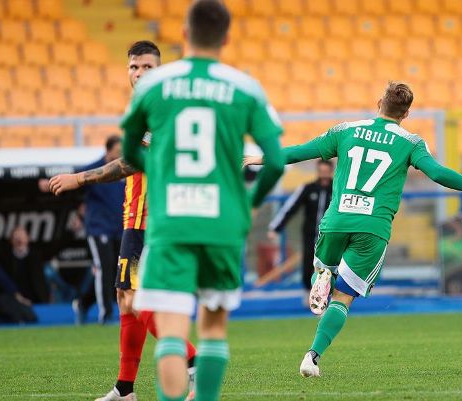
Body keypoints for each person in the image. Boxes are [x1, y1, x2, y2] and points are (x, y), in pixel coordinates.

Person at [121, 1, 285, 400]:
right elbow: (276, 161)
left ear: (183, 34)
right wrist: (247, 204)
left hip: (171, 221)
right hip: (223, 221)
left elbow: (130, 150)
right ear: (226, 38)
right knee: (213, 328)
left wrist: (159, 173)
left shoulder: (155, 86)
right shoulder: (244, 87)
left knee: (172, 330)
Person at [245, 81, 462, 378]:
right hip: (373, 228)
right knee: (343, 298)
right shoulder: (411, 142)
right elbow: (438, 174)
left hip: (337, 219)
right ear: (406, 114)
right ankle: (312, 356)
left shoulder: (345, 130)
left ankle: (322, 274)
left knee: (323, 268)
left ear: (379, 103)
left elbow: (301, 152)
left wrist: (263, 157)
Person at [49, 41, 199, 401]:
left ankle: (193, 361)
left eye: (148, 67)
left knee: (135, 299)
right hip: (137, 220)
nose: (140, 74)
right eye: (134, 67)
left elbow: (129, 163)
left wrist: (80, 178)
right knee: (124, 297)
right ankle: (125, 389)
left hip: (153, 222)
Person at [72, 134, 125, 323]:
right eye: (118, 151)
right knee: (104, 268)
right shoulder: (94, 170)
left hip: (121, 228)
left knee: (118, 272)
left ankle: (83, 303)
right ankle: (106, 314)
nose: (121, 155)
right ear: (108, 150)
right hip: (99, 228)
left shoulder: (125, 170)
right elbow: (75, 182)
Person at [267, 159, 333, 302]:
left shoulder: (337, 189)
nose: (323, 175)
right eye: (321, 171)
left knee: (330, 264)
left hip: (331, 236)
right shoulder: (308, 188)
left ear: (331, 171)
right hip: (310, 234)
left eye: (326, 172)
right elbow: (290, 208)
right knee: (309, 262)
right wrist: (276, 228)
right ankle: (307, 292)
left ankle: (327, 295)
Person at [0, 226, 50, 304]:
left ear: (28, 238)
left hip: (37, 300)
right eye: (16, 237)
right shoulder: (6, 258)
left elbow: (57, 247)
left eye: (22, 236)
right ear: (11, 240)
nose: (19, 239)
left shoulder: (37, 255)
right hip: (13, 302)